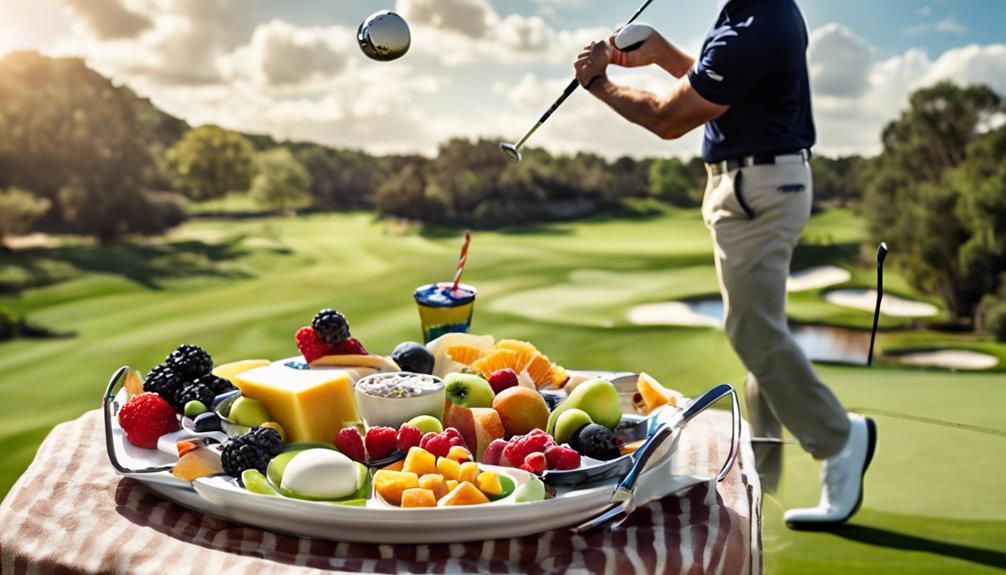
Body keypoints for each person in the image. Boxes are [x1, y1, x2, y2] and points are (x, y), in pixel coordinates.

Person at [572, 0, 877, 529]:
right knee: (763, 331)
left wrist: (598, 84)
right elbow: (725, 92)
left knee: (752, 333)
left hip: (756, 188)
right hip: (753, 183)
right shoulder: (748, 14)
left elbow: (670, 119)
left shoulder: (755, 25)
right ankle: (764, 479)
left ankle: (840, 438)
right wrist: (665, 54)